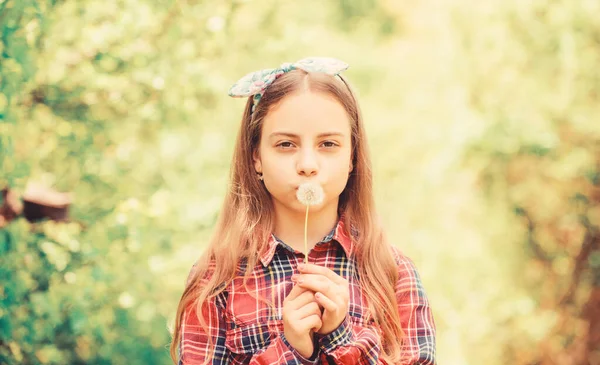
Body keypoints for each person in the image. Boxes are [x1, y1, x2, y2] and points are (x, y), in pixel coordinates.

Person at [170, 57, 437, 364]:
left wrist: (341, 336)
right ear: (256, 156)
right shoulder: (215, 278)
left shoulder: (393, 273)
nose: (308, 165)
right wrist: (290, 349)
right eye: (286, 144)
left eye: (328, 144)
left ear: (352, 156)